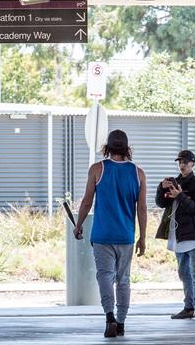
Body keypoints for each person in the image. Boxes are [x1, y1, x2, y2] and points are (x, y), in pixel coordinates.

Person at [73, 129, 147, 338]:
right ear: (127, 148)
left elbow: (87, 201)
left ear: (107, 147)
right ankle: (121, 322)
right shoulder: (138, 173)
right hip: (126, 236)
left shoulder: (97, 169)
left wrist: (78, 225)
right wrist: (142, 237)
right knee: (123, 279)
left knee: (105, 276)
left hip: (102, 235)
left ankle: (109, 317)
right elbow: (141, 209)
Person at [155, 149, 195, 321]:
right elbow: (161, 203)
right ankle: (188, 307)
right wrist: (160, 188)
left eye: (185, 162)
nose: (182, 165)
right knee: (184, 273)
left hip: (194, 236)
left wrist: (181, 196)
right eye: (179, 162)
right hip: (178, 235)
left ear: (192, 164)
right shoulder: (174, 182)